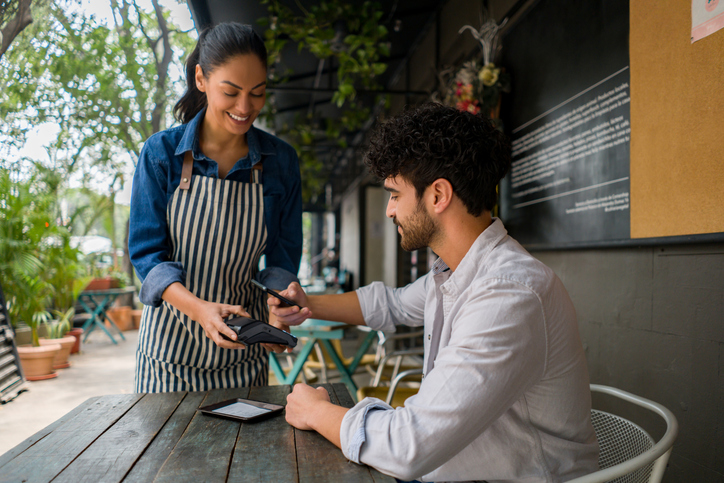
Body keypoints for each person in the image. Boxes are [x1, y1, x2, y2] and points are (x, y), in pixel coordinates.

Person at [270, 103, 599, 482]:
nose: (390, 211)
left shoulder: (509, 295)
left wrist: (316, 411)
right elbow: (390, 305)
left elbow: (409, 445)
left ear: (438, 194)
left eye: (395, 194)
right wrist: (307, 304)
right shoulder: (456, 273)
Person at [129, 23, 302, 393]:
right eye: (231, 92)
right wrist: (199, 309)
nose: (245, 107)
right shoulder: (161, 155)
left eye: (257, 93)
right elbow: (147, 256)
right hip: (168, 357)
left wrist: (280, 306)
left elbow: (281, 259)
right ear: (201, 79)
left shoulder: (281, 162)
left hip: (244, 354)